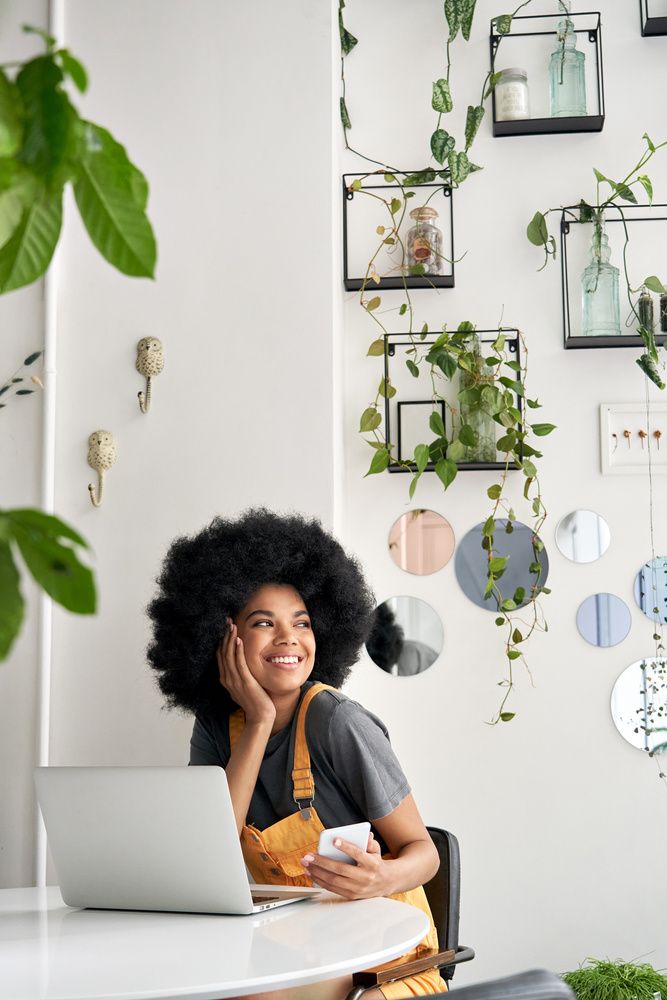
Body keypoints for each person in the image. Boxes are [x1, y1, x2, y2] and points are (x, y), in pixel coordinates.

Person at [147, 508, 443, 999]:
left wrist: (381, 877)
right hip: (294, 947)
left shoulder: (338, 721)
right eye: (264, 622)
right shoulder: (218, 728)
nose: (289, 638)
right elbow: (211, 850)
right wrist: (259, 721)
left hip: (388, 955)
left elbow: (425, 854)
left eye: (302, 623)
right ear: (225, 638)